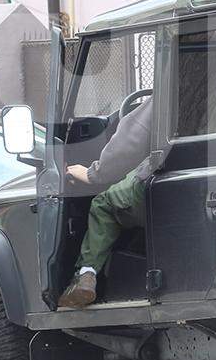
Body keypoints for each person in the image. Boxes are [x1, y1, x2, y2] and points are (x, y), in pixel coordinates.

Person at [57, 96, 159, 310]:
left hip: (163, 182)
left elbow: (129, 145)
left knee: (104, 203)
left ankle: (85, 274)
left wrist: (91, 174)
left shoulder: (172, 85)